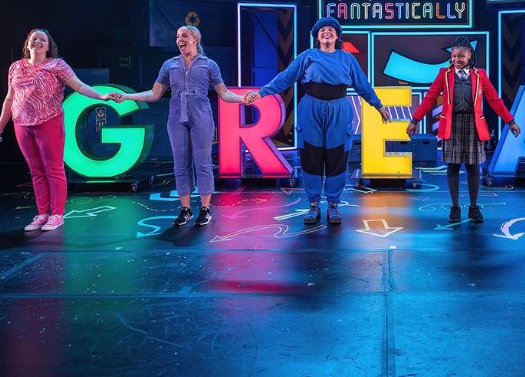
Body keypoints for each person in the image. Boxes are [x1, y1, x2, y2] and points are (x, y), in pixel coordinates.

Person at [244, 18, 390, 225]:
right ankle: (313, 205)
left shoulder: (347, 59)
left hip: (339, 109)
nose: (327, 32)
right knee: (311, 157)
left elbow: (362, 85)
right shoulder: (307, 57)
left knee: (336, 157)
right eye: (322, 30)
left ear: (337, 36)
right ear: (317, 36)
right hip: (311, 108)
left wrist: (378, 106)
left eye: (331, 30)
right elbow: (285, 78)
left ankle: (333, 205)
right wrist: (261, 93)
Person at [109, 26, 244, 227]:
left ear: (196, 39)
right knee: (180, 164)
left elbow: (224, 93)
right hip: (176, 118)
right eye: (177, 36)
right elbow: (154, 94)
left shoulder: (209, 65)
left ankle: (205, 209)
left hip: (201, 118)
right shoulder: (169, 65)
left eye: (184, 35)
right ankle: (186, 209)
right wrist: (127, 96)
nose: (180, 39)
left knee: (203, 163)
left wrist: (243, 99)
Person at [0, 29, 111, 231]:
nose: (38, 42)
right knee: (36, 171)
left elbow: (78, 85)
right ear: (27, 44)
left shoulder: (57, 65)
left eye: (43, 39)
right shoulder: (15, 67)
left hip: (48, 122)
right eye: (34, 39)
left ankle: (57, 214)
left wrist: (100, 96)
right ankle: (42, 214)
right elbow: (10, 98)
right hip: (22, 123)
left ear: (48, 46)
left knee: (54, 169)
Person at [406, 37, 521, 223]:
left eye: (461, 55)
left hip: (473, 125)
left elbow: (494, 100)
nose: (457, 59)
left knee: (473, 168)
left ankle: (474, 207)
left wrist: (510, 121)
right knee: (452, 167)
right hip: (452, 124)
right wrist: (415, 119)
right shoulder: (444, 74)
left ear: (469, 55)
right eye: (454, 56)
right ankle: (455, 207)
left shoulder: (480, 75)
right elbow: (429, 98)